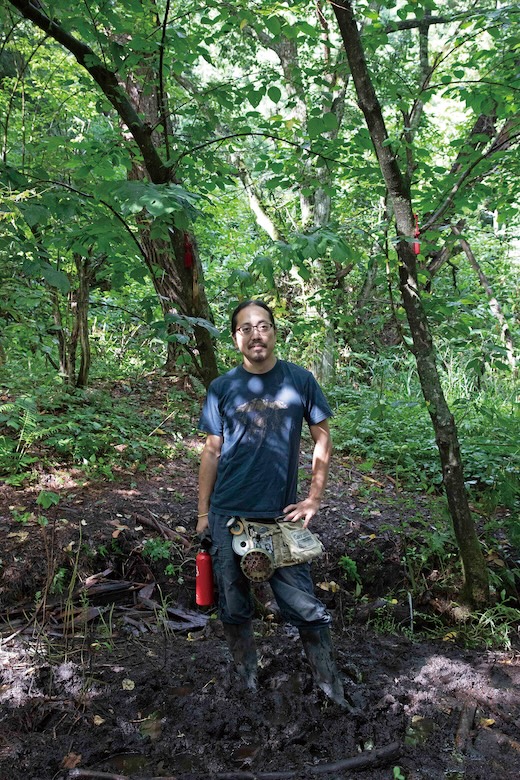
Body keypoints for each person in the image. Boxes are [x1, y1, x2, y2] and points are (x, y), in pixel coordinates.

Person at [196, 299, 350, 708]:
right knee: (232, 604)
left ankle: (330, 688)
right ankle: (246, 682)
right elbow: (211, 451)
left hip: (282, 517)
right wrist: (202, 513)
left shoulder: (298, 380)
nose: (255, 334)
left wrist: (314, 498)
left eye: (262, 325)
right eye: (246, 328)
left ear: (275, 332)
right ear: (236, 339)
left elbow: (322, 437)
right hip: (229, 513)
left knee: (304, 606)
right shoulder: (222, 388)